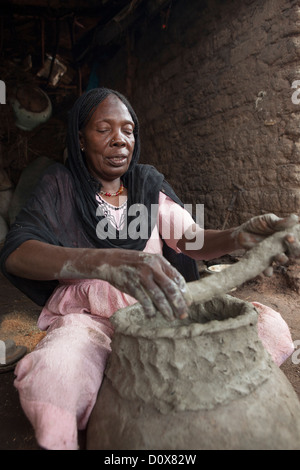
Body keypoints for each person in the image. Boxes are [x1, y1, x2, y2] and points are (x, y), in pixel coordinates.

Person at [0, 87, 299, 450]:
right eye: (104, 129)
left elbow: (192, 240)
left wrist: (240, 236)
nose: (119, 140)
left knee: (266, 325)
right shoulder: (59, 187)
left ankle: (163, 396)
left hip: (160, 315)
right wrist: (104, 261)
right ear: (80, 138)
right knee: (56, 376)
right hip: (90, 320)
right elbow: (17, 252)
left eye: (128, 130)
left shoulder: (146, 185)